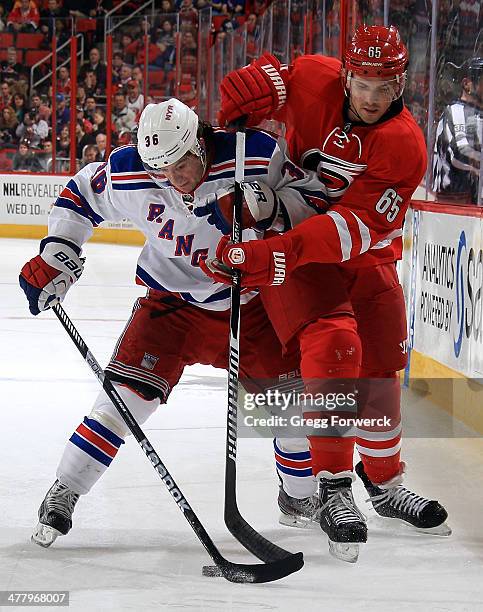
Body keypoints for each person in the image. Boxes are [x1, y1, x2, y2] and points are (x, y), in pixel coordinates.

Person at [18, 97, 325, 548]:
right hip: (170, 307)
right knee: (122, 404)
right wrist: (59, 252)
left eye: (182, 163)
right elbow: (80, 194)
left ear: (201, 141)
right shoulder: (131, 170)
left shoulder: (253, 153)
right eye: (162, 169)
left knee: (291, 408)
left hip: (250, 303)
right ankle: (66, 488)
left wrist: (267, 204)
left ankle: (300, 497)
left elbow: (313, 200)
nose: (175, 179)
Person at [203, 24, 451, 563]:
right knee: (335, 346)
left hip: (348, 249)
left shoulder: (404, 144)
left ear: (400, 84)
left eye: (382, 87)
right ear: (346, 75)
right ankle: (335, 488)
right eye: (361, 83)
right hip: (290, 244)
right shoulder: (318, 78)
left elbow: (352, 227)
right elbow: (279, 82)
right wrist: (256, 90)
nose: (368, 97)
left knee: (383, 358)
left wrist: (278, 251)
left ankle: (384, 485)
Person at [432, 57, 482, 205]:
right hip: (453, 203)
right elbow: (459, 153)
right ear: (467, 84)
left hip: (472, 201)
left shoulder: (475, 114)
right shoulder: (455, 111)